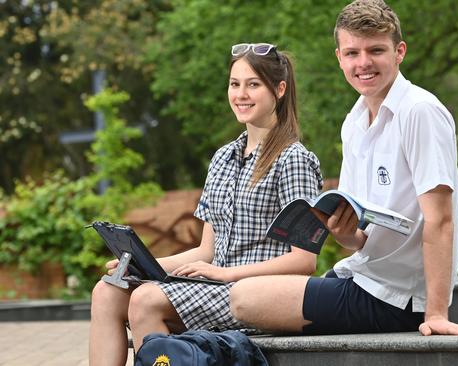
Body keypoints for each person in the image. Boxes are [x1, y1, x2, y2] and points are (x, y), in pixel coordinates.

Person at [230, 0, 458, 336]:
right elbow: (359, 238)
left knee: (244, 298)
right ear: (339, 58)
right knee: (243, 302)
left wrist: (435, 314)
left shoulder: (419, 111)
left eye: (376, 50)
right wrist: (346, 233)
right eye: (352, 53)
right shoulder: (355, 121)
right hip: (358, 275)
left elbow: (441, 220)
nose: (363, 63)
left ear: (399, 52)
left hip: (398, 298)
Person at [89, 43, 323, 365]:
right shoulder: (223, 158)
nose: (241, 94)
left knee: (145, 300)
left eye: (253, 84)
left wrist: (225, 274)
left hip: (257, 295)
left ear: (279, 90)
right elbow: (205, 251)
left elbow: (305, 261)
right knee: (108, 291)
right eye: (234, 84)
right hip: (213, 286)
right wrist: (143, 263)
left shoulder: (294, 159)